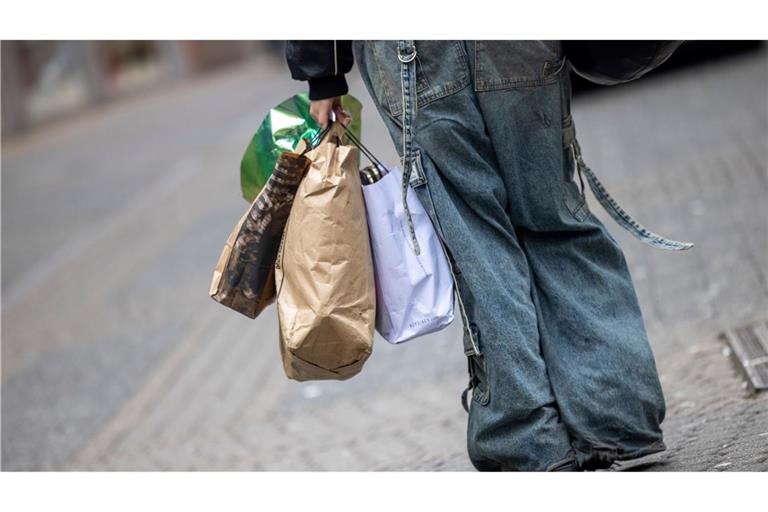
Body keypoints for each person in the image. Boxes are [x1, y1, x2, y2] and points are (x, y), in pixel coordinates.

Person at [286, 40, 687, 471]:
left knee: (478, 243)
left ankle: (527, 437)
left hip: (416, 50)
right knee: (555, 219)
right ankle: (618, 417)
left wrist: (323, 73)